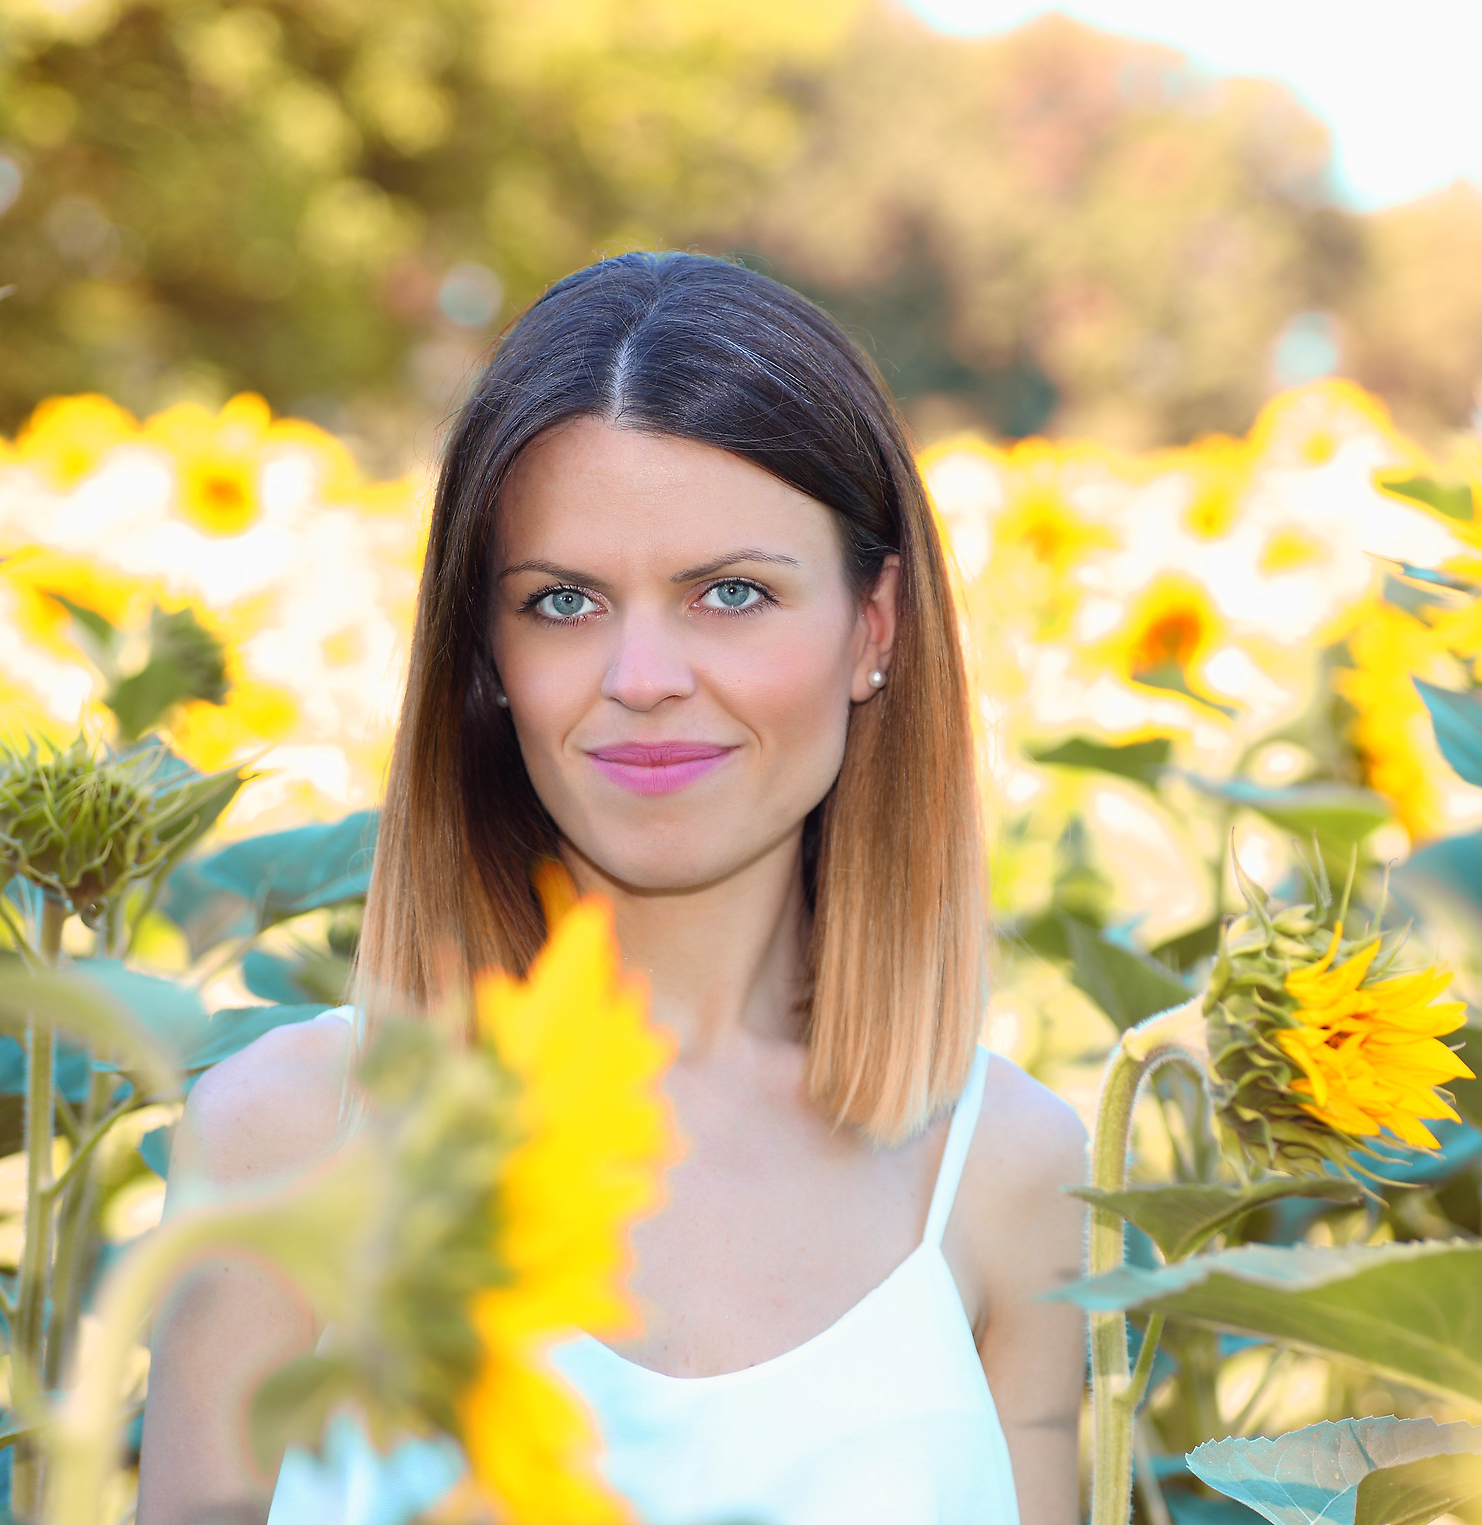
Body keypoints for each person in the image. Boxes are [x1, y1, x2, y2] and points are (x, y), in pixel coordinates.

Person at [137, 252, 1089, 1525]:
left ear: (877, 627)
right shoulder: (290, 1140)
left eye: (732, 593)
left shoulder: (1010, 1174)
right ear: (485, 651)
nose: (642, 673)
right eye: (565, 601)